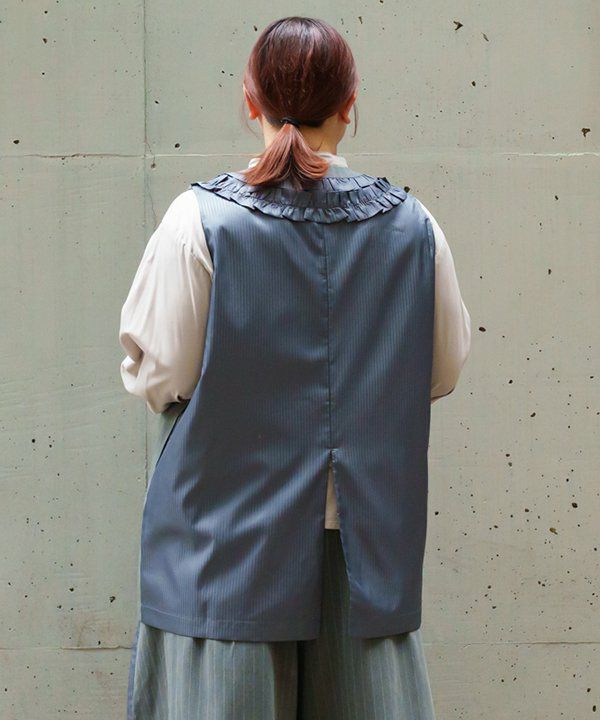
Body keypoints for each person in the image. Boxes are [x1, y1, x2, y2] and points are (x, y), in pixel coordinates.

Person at [119, 15, 471, 720]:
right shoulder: (415, 228)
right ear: (350, 103)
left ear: (250, 101)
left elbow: (160, 376)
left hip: (225, 552)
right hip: (365, 553)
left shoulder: (198, 222)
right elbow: (439, 371)